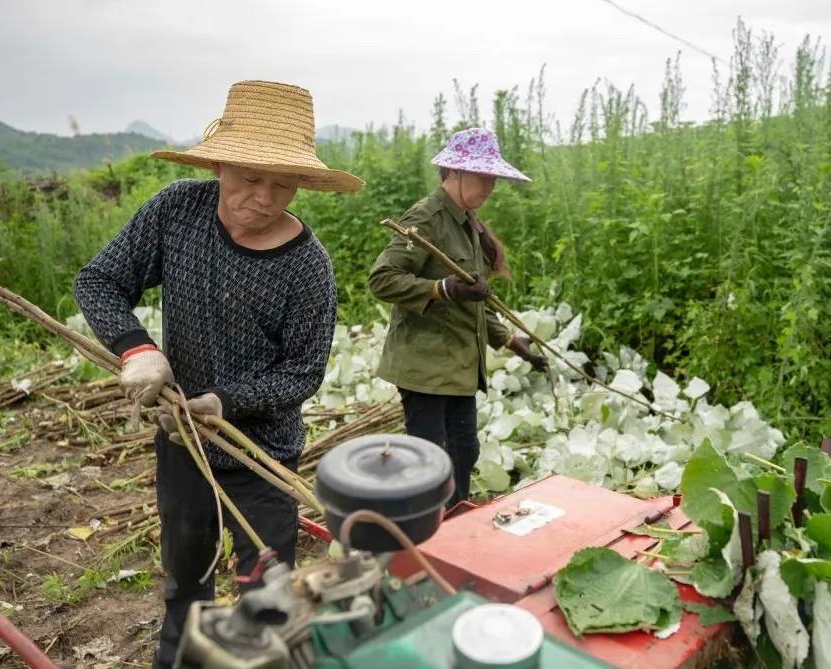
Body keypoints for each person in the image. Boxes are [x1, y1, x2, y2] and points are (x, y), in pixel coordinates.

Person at [73, 80, 363, 669]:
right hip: (183, 443)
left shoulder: (307, 267)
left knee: (266, 597)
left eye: (281, 183)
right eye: (249, 177)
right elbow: (98, 282)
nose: (262, 196)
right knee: (185, 581)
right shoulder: (177, 211)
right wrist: (138, 351)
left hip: (264, 457)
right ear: (219, 163)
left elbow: (301, 374)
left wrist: (223, 401)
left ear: (300, 184)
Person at [368, 128, 548, 507]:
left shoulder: (468, 223)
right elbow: (382, 280)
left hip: (459, 367)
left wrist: (514, 343)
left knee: (464, 453)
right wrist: (441, 289)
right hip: (426, 366)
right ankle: (425, 536)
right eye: (483, 177)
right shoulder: (427, 218)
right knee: (430, 462)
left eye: (493, 179)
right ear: (454, 171)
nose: (490, 187)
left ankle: (457, 525)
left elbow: (474, 303)